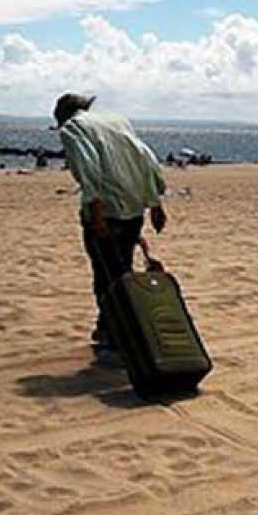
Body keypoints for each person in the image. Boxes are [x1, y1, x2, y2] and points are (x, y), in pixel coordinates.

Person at [53, 93, 169, 362]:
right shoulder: (117, 121)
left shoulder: (73, 129)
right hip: (133, 208)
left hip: (106, 211)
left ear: (61, 114)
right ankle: (109, 330)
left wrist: (97, 215)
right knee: (122, 271)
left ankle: (115, 341)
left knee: (106, 277)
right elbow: (147, 159)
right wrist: (155, 203)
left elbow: (88, 168)